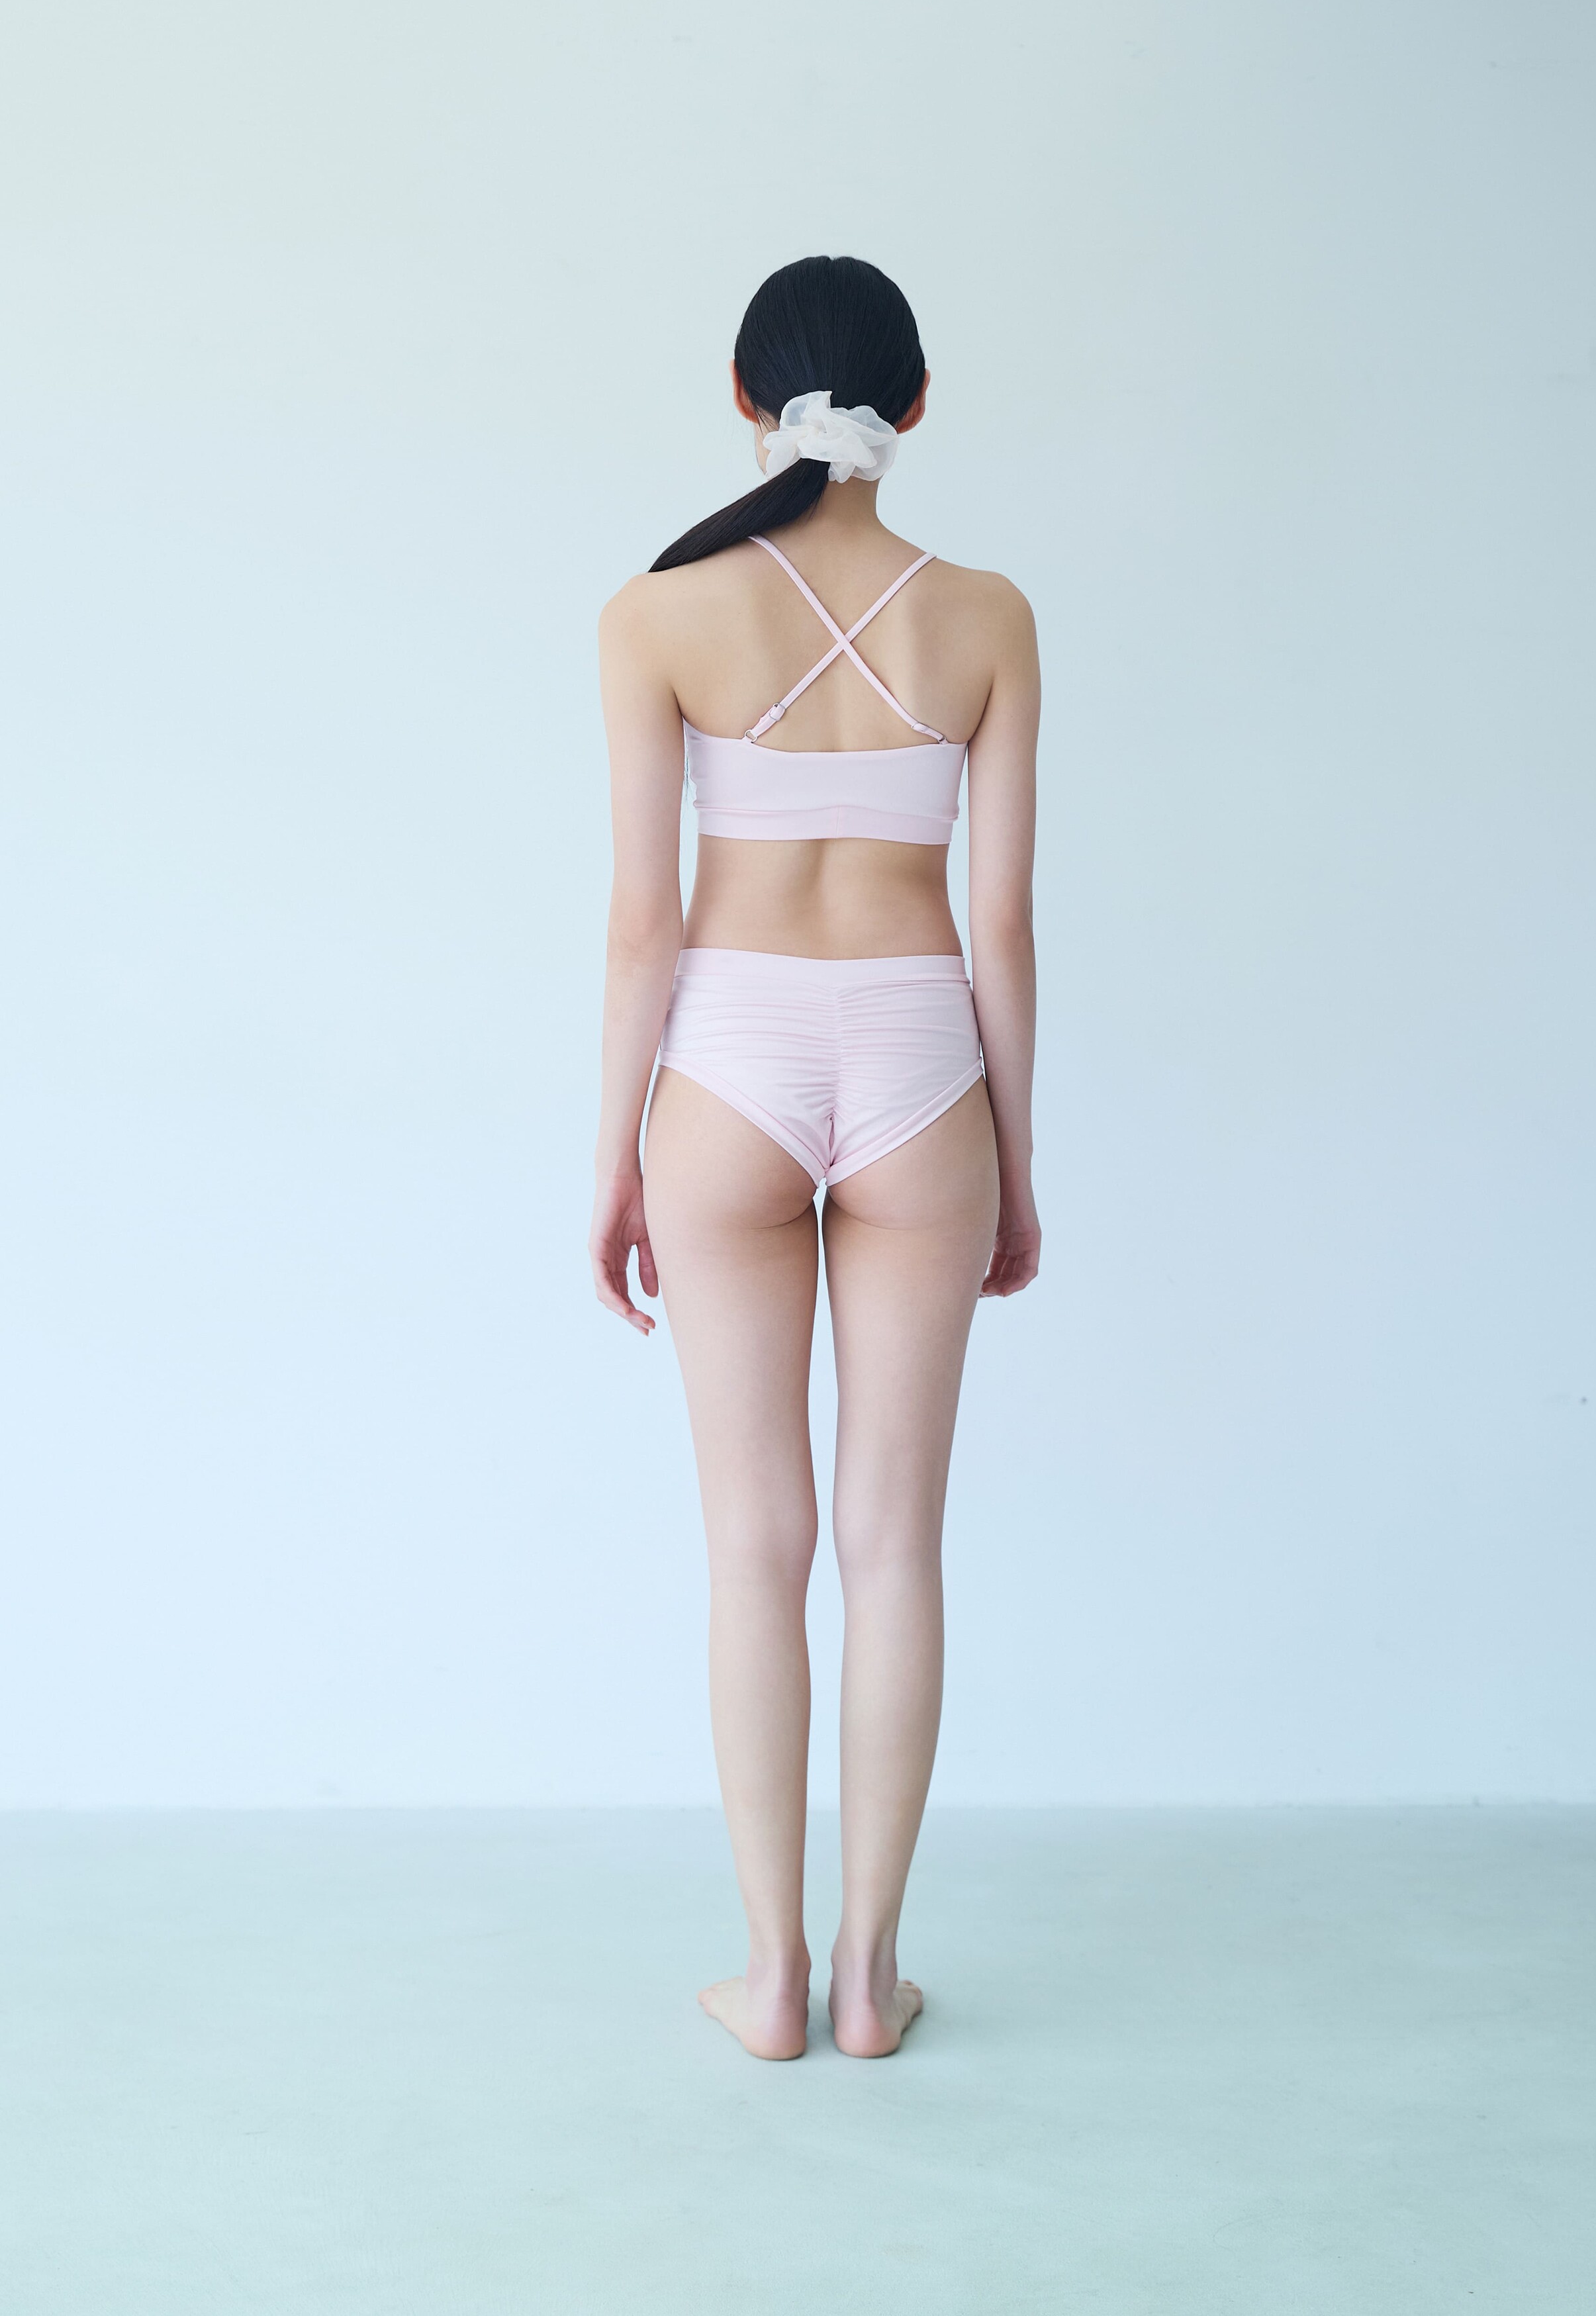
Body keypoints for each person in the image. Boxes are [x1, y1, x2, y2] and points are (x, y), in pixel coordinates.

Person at [589, 255, 1040, 2060]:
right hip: (926, 1063)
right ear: (914, 405)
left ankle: (769, 1976)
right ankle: (871, 1977)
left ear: (743, 398)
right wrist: (1015, 1162)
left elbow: (643, 925)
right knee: (893, 1543)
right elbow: (1002, 927)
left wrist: (612, 1160)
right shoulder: (989, 615)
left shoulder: (656, 613)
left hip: (729, 1070)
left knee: (752, 1545)